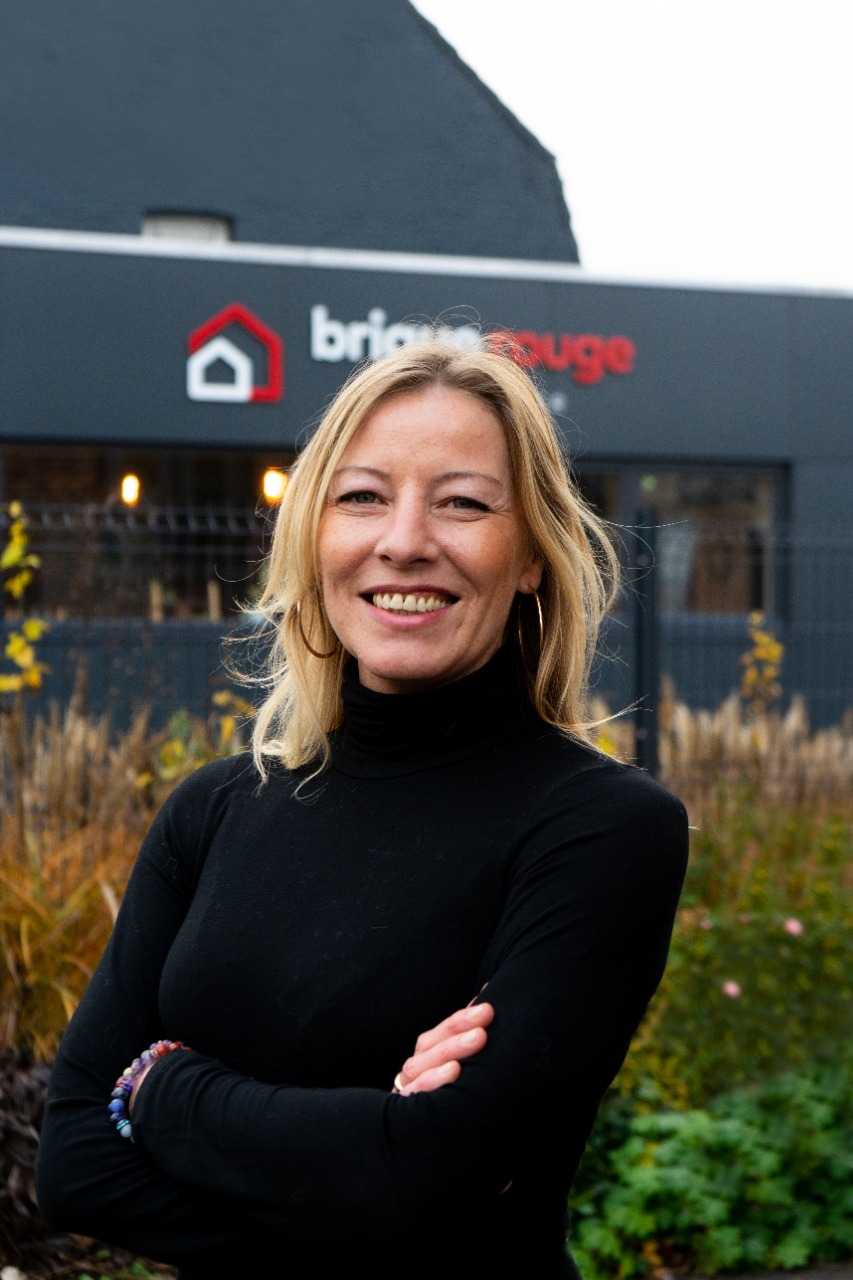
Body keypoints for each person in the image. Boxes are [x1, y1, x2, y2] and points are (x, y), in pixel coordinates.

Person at [37, 338, 688, 1278]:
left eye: (463, 502)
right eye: (362, 497)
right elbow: (73, 1167)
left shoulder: (602, 830)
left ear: (532, 556)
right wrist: (380, 1161)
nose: (405, 540)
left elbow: (433, 1172)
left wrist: (159, 1087)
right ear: (314, 536)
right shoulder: (213, 810)